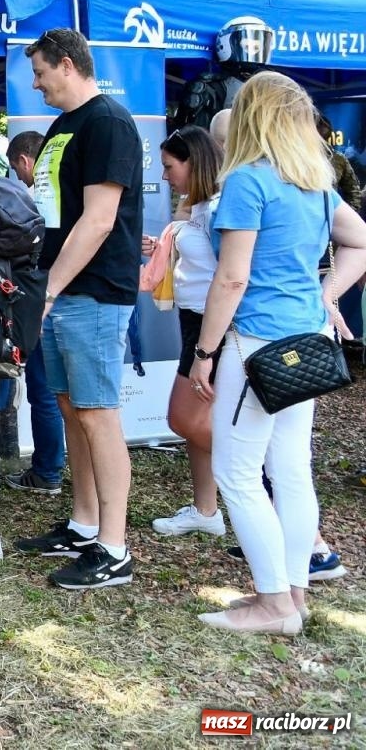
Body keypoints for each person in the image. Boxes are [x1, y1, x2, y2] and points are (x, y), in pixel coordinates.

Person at [189, 71, 366, 634]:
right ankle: (292, 593)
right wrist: (326, 295)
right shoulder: (314, 183)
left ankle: (274, 604)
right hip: (307, 340)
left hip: (257, 344)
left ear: (250, 118)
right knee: (290, 469)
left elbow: (232, 278)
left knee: (237, 472)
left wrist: (203, 351)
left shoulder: (249, 181)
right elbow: (359, 240)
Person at [12, 28, 143, 591]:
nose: (36, 84)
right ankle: (84, 524)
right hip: (61, 289)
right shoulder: (64, 126)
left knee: (97, 413)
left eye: (40, 72)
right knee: (71, 410)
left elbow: (99, 219)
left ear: (67, 64)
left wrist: (49, 290)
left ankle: (114, 548)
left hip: (92, 290)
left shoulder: (108, 121)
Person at [146, 126, 227, 539]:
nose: (164, 175)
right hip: (193, 319)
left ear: (194, 162)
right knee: (196, 419)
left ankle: (258, 471)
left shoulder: (216, 208)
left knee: (184, 419)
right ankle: (205, 508)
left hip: (217, 327)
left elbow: (231, 275)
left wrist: (208, 349)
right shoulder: (195, 207)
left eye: (169, 166)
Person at [3, 130, 64, 495]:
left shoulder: (34, 199)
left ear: (26, 161)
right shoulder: (68, 193)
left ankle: (47, 470)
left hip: (43, 304)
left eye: (17, 169)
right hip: (73, 302)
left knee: (42, 391)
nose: (20, 177)